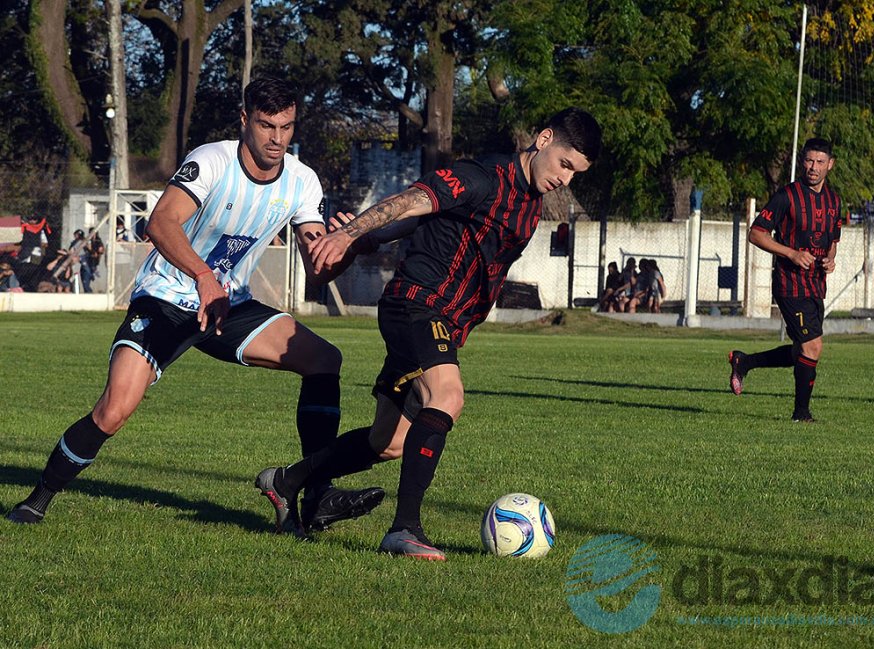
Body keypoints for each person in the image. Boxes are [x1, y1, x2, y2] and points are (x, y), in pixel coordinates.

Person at [6, 76, 384, 531]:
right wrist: (203, 276)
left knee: (324, 359)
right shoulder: (211, 160)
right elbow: (161, 223)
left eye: (286, 127)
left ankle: (314, 492)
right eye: (266, 126)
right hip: (166, 299)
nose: (277, 138)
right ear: (244, 120)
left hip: (229, 307)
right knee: (115, 409)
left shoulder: (302, 180)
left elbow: (319, 267)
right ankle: (38, 497)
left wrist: (352, 246)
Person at [254, 107, 602, 560]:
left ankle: (286, 481)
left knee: (390, 442)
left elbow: (425, 220)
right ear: (543, 139)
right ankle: (404, 529)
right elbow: (414, 200)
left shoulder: (529, 205)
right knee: (448, 395)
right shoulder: (481, 177)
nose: (565, 179)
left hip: (446, 323)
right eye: (564, 164)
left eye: (575, 173)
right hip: (416, 305)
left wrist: (369, 239)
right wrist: (351, 235)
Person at [728, 137, 842, 422]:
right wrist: (790, 253)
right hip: (790, 283)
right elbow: (756, 233)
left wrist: (830, 258)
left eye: (819, 162)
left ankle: (745, 361)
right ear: (802, 161)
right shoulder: (787, 196)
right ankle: (801, 414)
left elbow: (833, 239)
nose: (812, 167)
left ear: (830, 165)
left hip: (816, 284)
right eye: (808, 161)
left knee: (801, 350)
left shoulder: (834, 200)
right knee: (812, 346)